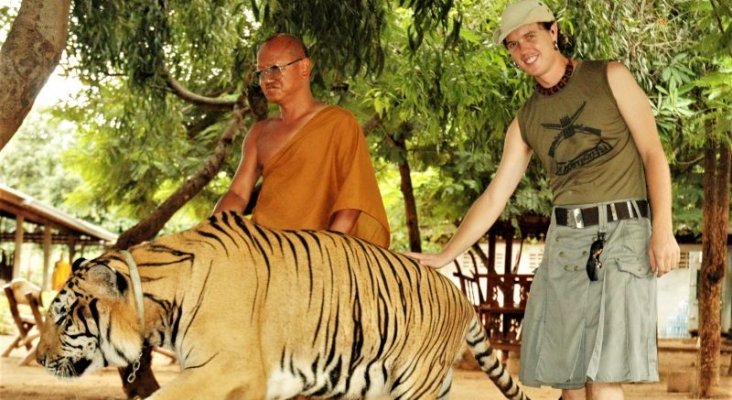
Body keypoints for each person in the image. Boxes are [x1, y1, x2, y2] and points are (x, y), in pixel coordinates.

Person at [407, 1, 680, 399]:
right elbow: (496, 194)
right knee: (569, 380)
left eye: (530, 36)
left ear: (553, 33)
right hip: (567, 243)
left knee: (603, 377)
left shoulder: (610, 75)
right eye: (513, 44)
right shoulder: (525, 120)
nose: (523, 50)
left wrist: (664, 230)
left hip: (623, 234)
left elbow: (653, 153)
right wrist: (446, 254)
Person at [214, 33, 390, 248]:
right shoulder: (259, 133)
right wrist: (210, 233)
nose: (267, 79)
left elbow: (353, 201)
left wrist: (324, 251)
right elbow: (237, 194)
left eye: (276, 68)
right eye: (261, 72)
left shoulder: (338, 123)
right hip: (264, 249)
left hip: (318, 251)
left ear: (304, 68)